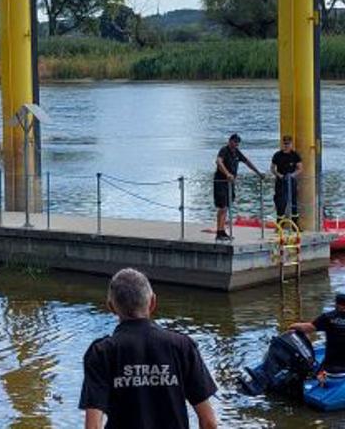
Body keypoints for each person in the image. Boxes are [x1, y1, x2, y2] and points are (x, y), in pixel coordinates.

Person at [79, 268, 219, 429]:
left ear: (111, 307)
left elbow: (93, 426)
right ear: (152, 303)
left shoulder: (102, 352)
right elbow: (209, 422)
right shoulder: (181, 346)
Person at [211, 134, 261, 241]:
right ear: (230, 141)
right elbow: (218, 162)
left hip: (230, 183)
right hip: (221, 181)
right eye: (234, 142)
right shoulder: (224, 150)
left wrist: (258, 173)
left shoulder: (236, 152)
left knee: (227, 206)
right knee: (222, 206)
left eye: (237, 143)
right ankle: (219, 232)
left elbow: (247, 162)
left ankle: (221, 231)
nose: (235, 144)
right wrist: (227, 174)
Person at [270, 135, 302, 221]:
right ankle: (280, 224)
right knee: (280, 203)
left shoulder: (295, 155)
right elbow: (272, 168)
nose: (286, 145)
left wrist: (292, 175)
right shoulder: (277, 155)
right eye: (285, 144)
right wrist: (279, 175)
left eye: (288, 144)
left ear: (291, 144)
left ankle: (295, 225)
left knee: (294, 203)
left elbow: (300, 169)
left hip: (291, 181)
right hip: (281, 181)